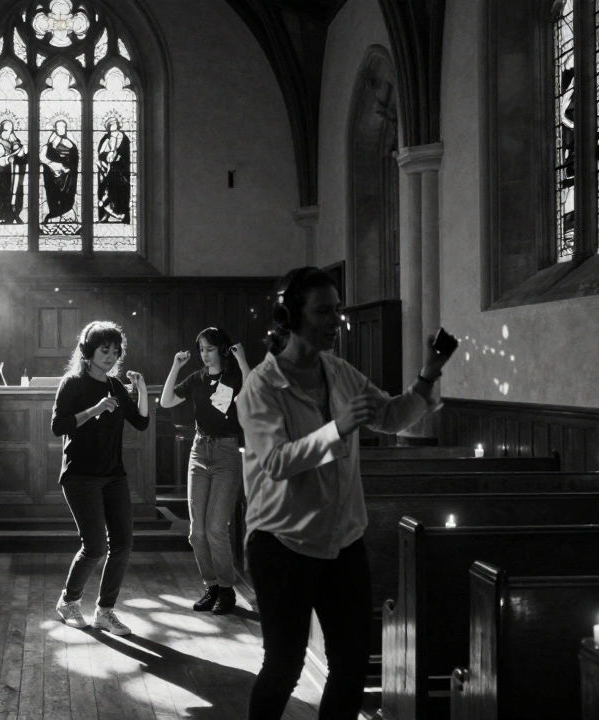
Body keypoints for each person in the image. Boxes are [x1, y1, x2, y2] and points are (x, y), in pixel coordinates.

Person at [237, 266, 454, 720]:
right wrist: (338, 428)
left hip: (342, 540)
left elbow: (391, 417)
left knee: (352, 666)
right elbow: (276, 462)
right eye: (323, 311)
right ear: (290, 316)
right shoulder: (260, 385)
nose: (336, 320)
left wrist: (427, 376)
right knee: (284, 665)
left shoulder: (339, 372)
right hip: (282, 543)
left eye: (338, 309)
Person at [51, 320, 149, 636]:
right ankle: (68, 602)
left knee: (122, 543)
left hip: (113, 476)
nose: (110, 356)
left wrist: (142, 390)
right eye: (104, 350)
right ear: (88, 352)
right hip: (80, 476)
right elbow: (58, 426)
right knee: (94, 547)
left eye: (114, 351)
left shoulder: (114, 385)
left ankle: (105, 612)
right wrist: (94, 410)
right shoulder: (73, 383)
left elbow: (142, 422)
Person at [159, 327, 251, 615]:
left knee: (215, 529)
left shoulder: (234, 377)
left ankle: (227, 590)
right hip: (199, 452)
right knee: (196, 533)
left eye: (209, 348)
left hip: (226, 454)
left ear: (221, 350)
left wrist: (244, 361)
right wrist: (176, 366)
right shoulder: (197, 379)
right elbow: (166, 401)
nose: (204, 354)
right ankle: (211, 586)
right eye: (201, 349)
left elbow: (254, 394)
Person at [41, 118, 79, 224]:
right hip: (52, 177)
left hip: (68, 177)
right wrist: (53, 165)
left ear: (66, 128)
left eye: (63, 126)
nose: (60, 129)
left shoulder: (71, 144)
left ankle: (64, 215)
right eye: (58, 127)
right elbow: (42, 157)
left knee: (67, 196)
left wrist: (67, 168)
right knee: (53, 195)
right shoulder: (49, 145)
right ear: (55, 129)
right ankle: (54, 214)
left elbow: (74, 161)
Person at [0, 119, 27, 225]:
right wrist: (9, 157)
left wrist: (17, 146)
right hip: (2, 174)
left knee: (14, 194)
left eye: (11, 126)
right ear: (2, 127)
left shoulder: (12, 139)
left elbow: (20, 153)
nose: (9, 127)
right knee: (3, 194)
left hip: (13, 172)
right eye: (7, 125)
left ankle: (13, 214)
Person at [95, 119, 131, 222]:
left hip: (120, 171)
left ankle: (115, 213)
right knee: (107, 190)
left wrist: (116, 156)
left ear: (118, 125)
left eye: (115, 124)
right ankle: (107, 213)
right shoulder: (106, 138)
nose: (113, 126)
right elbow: (100, 154)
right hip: (107, 169)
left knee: (116, 192)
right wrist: (106, 159)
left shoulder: (124, 138)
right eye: (111, 125)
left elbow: (125, 154)